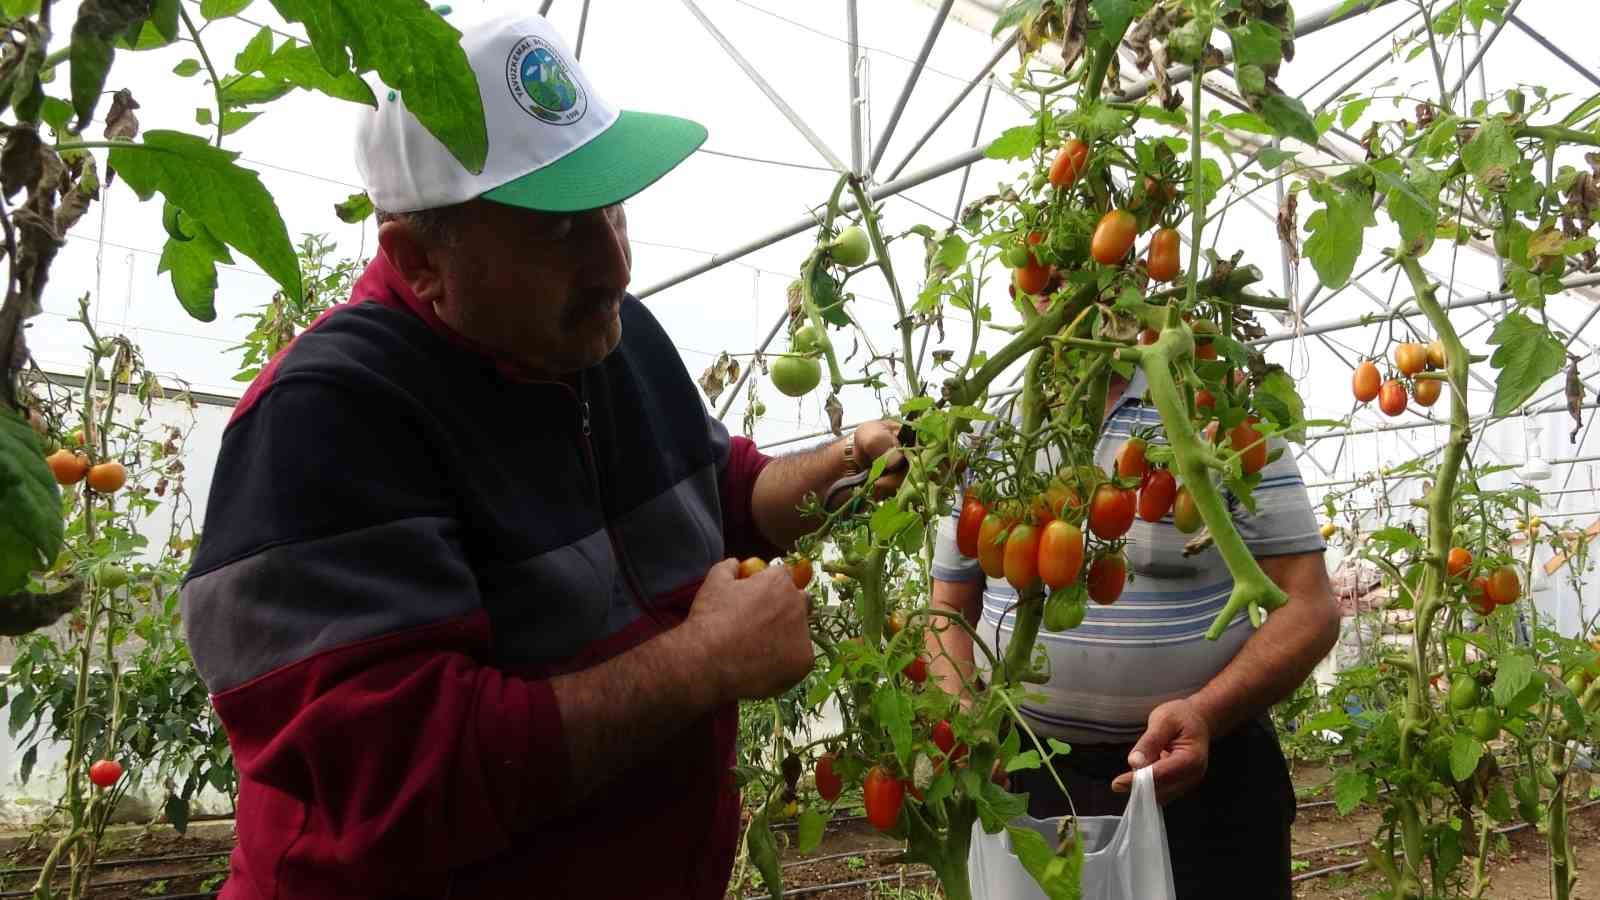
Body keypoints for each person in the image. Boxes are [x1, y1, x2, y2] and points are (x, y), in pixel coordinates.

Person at [179, 11, 901, 899]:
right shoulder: (328, 417)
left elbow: (724, 493)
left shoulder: (612, 340)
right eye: (556, 230)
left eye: (611, 208)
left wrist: (842, 468)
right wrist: (702, 662)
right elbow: (396, 779)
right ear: (422, 258)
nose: (615, 265)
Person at [928, 368, 1339, 898]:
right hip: (1030, 776)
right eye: (1040, 278)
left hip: (1206, 775)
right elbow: (947, 610)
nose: (1058, 284)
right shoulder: (989, 439)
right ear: (1016, 291)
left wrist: (1207, 713)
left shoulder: (1223, 422)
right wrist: (964, 718)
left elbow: (1310, 607)